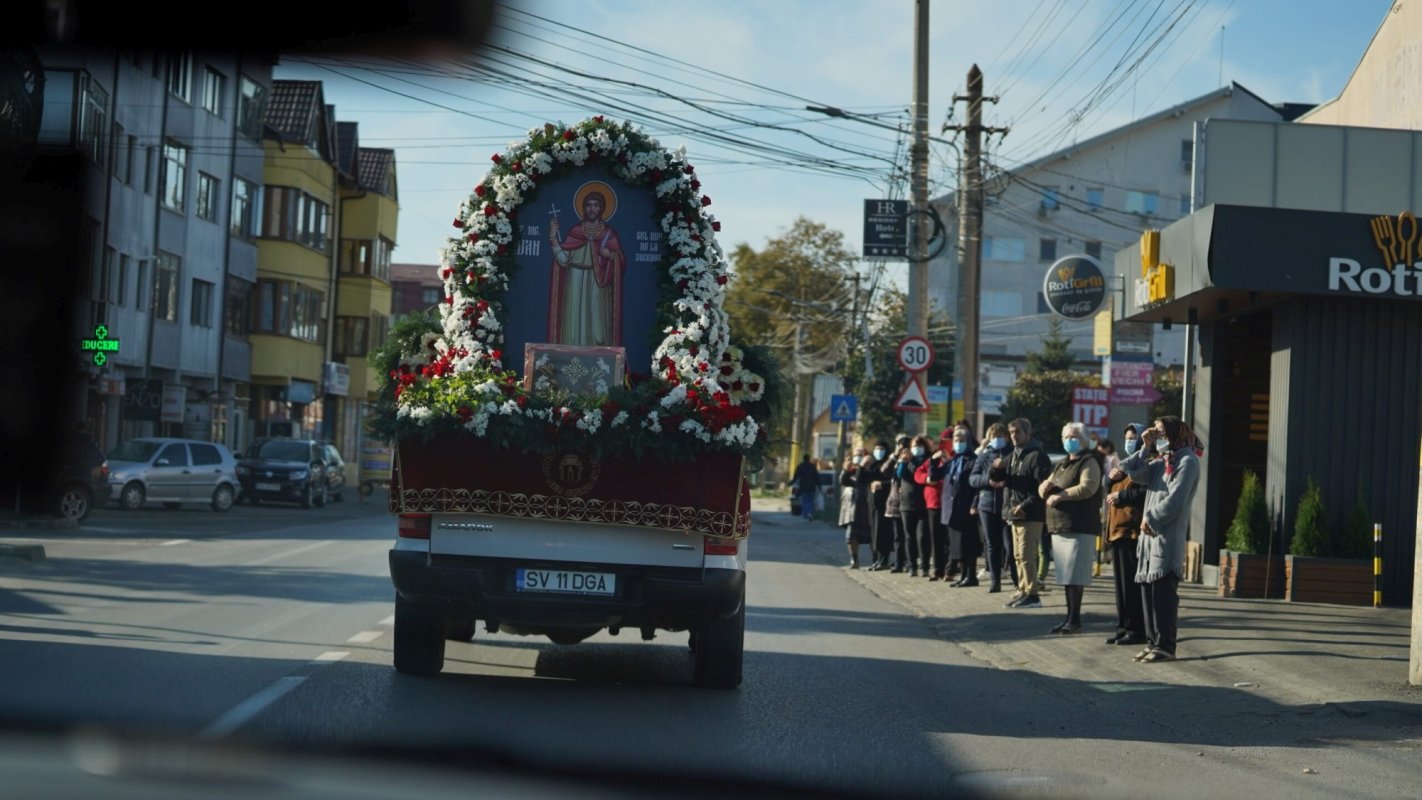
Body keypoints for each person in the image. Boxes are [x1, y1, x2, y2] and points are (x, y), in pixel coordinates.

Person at [1119, 415, 1202, 663]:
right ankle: (1152, 641)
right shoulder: (1162, 460)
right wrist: (1145, 447)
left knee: (1163, 595)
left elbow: (1176, 500)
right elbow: (1131, 471)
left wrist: (1152, 517)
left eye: (1161, 432)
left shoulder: (1187, 460)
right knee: (1147, 593)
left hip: (1165, 536)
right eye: (1155, 431)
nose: (1158, 436)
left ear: (1175, 433)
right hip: (1148, 539)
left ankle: (1166, 645)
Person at [1039, 422, 1104, 634]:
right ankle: (1068, 618)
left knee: (1076, 576)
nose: (1069, 440)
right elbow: (1044, 487)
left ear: (1085, 440)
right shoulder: (1062, 464)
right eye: (1066, 436)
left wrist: (1061, 495)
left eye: (1074, 436)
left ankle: (1075, 620)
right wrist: (1044, 488)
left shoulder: (1089, 461)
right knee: (1066, 577)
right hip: (1060, 527)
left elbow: (1088, 487)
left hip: (1079, 526)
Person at [547, 187, 627, 346]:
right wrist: (553, 236)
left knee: (598, 327)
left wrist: (610, 255)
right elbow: (563, 260)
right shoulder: (575, 231)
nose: (592, 209)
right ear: (584, 208)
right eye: (588, 205)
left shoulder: (609, 234)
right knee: (574, 325)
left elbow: (621, 261)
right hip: (575, 282)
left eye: (596, 205)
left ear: (602, 208)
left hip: (598, 284)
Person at [993, 418, 1051, 609]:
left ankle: (1033, 594)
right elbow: (998, 479)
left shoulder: (1037, 456)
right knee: (1017, 555)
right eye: (1011, 433)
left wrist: (1025, 505)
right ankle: (1023, 589)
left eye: (1017, 432)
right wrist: (996, 468)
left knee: (1027, 554)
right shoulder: (1013, 455)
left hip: (1030, 514)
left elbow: (1040, 488)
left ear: (1028, 433)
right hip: (1013, 512)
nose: (1013, 436)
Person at [1103, 424, 1148, 646]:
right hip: (1117, 531)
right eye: (1128, 438)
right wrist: (1111, 479)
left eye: (1134, 438)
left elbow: (1144, 492)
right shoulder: (1125, 464)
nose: (1130, 442)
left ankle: (1136, 629)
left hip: (1132, 531)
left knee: (1132, 584)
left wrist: (1122, 496)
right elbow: (1108, 489)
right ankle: (1123, 626)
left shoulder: (1146, 463)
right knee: (1120, 585)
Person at [970, 422, 1016, 593]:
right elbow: (973, 479)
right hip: (987, 505)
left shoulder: (1012, 454)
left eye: (1000, 436)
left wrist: (1006, 482)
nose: (997, 440)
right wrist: (987, 481)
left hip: (1007, 505)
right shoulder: (983, 456)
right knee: (991, 545)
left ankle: (1016, 580)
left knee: (1010, 546)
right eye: (993, 437)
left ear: (1006, 437)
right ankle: (995, 581)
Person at [941, 426, 981, 587]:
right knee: (957, 546)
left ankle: (971, 576)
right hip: (952, 509)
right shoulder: (953, 460)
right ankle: (963, 575)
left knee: (968, 544)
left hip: (967, 508)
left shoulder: (973, 459)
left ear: (968, 442)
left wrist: (975, 503)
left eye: (961, 441)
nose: (958, 443)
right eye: (956, 441)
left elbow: (977, 486)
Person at [915, 433, 950, 580]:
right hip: (933, 503)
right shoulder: (931, 460)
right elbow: (918, 474)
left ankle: (949, 569)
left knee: (948, 539)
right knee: (936, 538)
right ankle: (937, 569)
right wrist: (927, 479)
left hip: (948, 503)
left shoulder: (952, 459)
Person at [896, 436, 932, 578]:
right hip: (907, 503)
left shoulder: (928, 459)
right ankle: (912, 566)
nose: (917, 448)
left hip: (923, 503)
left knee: (922, 536)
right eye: (914, 445)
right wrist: (904, 461)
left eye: (919, 445)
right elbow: (899, 475)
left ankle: (925, 566)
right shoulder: (906, 460)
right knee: (909, 536)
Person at [838, 447, 872, 568]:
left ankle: (876, 558)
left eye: (861, 455)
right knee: (851, 535)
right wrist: (845, 469)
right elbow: (843, 481)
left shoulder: (869, 469)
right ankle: (854, 559)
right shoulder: (849, 471)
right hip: (851, 508)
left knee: (871, 535)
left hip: (866, 507)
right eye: (856, 455)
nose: (858, 458)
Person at [863, 440, 894, 570]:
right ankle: (877, 558)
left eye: (881, 449)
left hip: (885, 502)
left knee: (884, 532)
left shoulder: (890, 465)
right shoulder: (873, 465)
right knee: (875, 532)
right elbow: (861, 478)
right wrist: (861, 465)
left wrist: (883, 484)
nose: (879, 451)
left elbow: (895, 481)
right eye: (876, 449)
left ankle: (884, 559)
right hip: (873, 503)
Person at [885, 435, 911, 573]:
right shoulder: (896, 460)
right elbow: (886, 472)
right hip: (896, 502)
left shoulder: (913, 461)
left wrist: (906, 460)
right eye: (900, 445)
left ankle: (909, 562)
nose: (902, 448)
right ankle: (898, 562)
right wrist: (895, 457)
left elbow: (903, 476)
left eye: (904, 445)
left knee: (908, 535)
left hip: (909, 502)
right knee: (897, 536)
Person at [792, 453, 820, 522]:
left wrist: (791, 483)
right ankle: (810, 513)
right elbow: (816, 477)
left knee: (805, 501)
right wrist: (819, 486)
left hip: (804, 487)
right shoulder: (812, 466)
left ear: (803, 459)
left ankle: (806, 513)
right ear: (809, 459)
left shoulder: (800, 466)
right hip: (812, 487)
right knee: (811, 501)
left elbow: (796, 476)